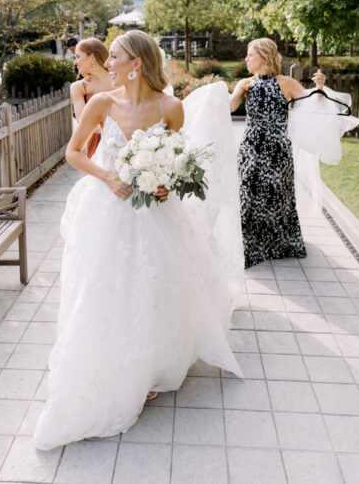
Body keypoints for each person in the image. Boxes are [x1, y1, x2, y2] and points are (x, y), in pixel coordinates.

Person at [34, 30, 243, 450]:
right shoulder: (100, 103)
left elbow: (174, 159)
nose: (106, 64)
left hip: (154, 213)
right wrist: (108, 176)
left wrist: (165, 183)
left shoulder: (171, 107)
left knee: (157, 287)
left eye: (114, 57)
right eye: (108, 58)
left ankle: (150, 367)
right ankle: (108, 362)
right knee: (105, 288)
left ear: (137, 63)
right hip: (108, 209)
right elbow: (73, 154)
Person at [229, 39, 326, 267]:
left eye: (250, 55)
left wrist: (320, 87)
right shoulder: (245, 84)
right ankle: (249, 245)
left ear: (263, 56)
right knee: (249, 193)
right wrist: (211, 97)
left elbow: (311, 104)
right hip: (251, 148)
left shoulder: (286, 83)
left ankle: (278, 243)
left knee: (277, 195)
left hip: (278, 149)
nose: (246, 59)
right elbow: (230, 106)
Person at [68, 37, 112, 158]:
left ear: (92, 57)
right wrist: (115, 134)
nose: (75, 62)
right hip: (97, 144)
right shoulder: (79, 87)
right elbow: (83, 123)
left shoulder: (120, 81)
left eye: (78, 57)